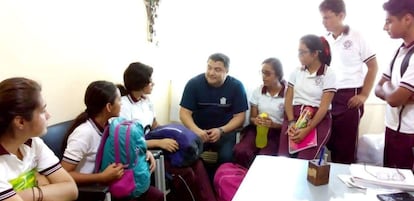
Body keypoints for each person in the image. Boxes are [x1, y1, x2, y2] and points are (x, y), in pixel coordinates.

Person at [118, 62, 216, 201]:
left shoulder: (146, 101)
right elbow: (128, 142)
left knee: (196, 161)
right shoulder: (123, 107)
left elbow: (155, 125)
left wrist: (175, 134)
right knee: (185, 173)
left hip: (155, 144)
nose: (153, 83)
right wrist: (160, 142)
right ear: (140, 83)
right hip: (142, 152)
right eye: (150, 81)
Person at [61, 80, 163, 201]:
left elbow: (124, 148)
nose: (122, 104)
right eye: (119, 100)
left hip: (112, 183)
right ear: (109, 107)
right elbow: (65, 175)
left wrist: (145, 152)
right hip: (93, 190)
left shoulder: (111, 125)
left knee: (156, 195)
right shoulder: (84, 133)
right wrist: (101, 177)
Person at [319, 0, 379, 164]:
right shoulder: (324, 40)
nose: (324, 22)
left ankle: (344, 187)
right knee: (325, 145)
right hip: (327, 96)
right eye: (322, 18)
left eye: (327, 18)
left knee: (345, 149)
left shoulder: (357, 36)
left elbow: (373, 66)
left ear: (341, 15)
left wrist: (364, 95)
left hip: (349, 97)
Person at [0, 77, 78, 201]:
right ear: (20, 122)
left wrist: (31, 193)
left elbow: (71, 189)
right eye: (42, 111)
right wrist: (47, 186)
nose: (48, 115)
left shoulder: (33, 142)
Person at [179, 53, 249, 165]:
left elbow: (240, 117)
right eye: (209, 68)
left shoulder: (237, 86)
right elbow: (184, 113)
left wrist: (221, 130)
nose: (211, 73)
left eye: (217, 69)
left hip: (225, 132)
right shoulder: (193, 84)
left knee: (227, 157)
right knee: (187, 154)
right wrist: (197, 130)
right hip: (199, 131)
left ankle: (219, 180)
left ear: (226, 70)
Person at [278, 35, 336, 160]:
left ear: (315, 53)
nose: (299, 56)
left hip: (317, 119)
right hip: (294, 116)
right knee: (283, 158)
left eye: (302, 52)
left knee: (304, 161)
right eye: (298, 52)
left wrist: (307, 129)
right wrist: (291, 121)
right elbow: (288, 99)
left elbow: (324, 107)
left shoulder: (328, 74)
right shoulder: (296, 72)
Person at [375, 0, 414, 169]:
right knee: (390, 186)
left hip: (409, 133)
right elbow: (378, 88)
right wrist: (392, 90)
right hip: (392, 128)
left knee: (406, 190)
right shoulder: (399, 51)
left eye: (389, 21)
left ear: (407, 19)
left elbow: (394, 99)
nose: (385, 27)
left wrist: (393, 92)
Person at [233, 57, 286, 168]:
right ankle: (241, 177)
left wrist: (273, 124)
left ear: (278, 75)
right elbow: (252, 118)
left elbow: (289, 123)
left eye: (267, 74)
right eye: (262, 73)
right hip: (257, 129)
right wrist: (255, 120)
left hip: (276, 132)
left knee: (265, 158)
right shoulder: (258, 91)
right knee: (241, 151)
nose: (263, 77)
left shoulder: (287, 94)